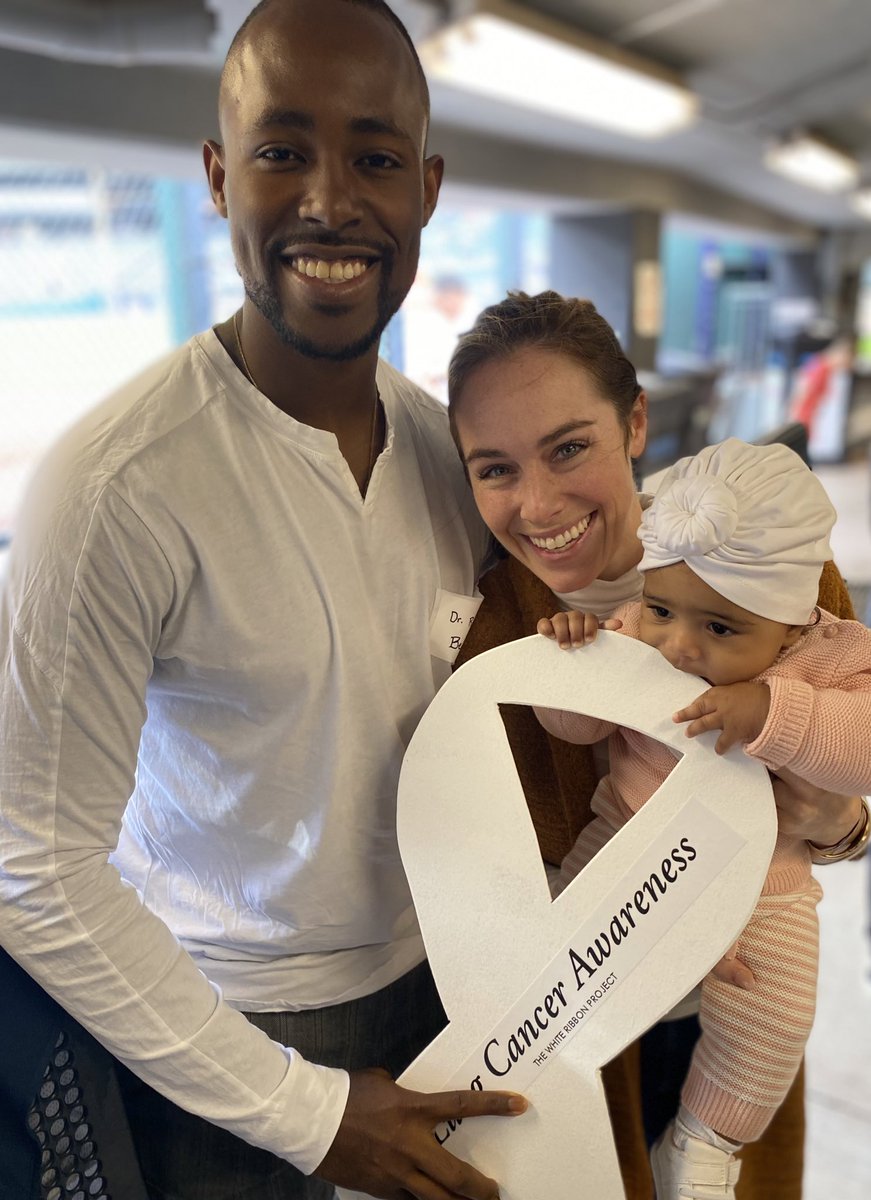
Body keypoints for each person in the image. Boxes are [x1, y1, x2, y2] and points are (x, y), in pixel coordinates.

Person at [0, 3, 527, 1198]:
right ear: (216, 176)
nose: (330, 202)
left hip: (450, 987)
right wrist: (307, 1115)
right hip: (222, 1039)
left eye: (375, 158)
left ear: (428, 190)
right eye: (282, 150)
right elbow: (35, 865)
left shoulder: (456, 462)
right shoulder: (116, 485)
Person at [449, 290, 869, 1200]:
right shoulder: (494, 634)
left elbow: (848, 758)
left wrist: (841, 826)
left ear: (634, 423)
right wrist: (656, 924)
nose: (537, 502)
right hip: (581, 1015)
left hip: (745, 984)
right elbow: (469, 865)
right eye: (495, 468)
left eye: (568, 448)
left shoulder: (778, 570)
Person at [534, 438, 871, 1199]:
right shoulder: (635, 633)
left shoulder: (822, 657)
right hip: (623, 848)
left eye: (719, 629)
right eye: (662, 610)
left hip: (763, 886)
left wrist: (774, 711)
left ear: (791, 627)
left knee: (775, 1019)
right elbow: (572, 728)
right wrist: (571, 667)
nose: (679, 647)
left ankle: (702, 1144)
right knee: (553, 968)